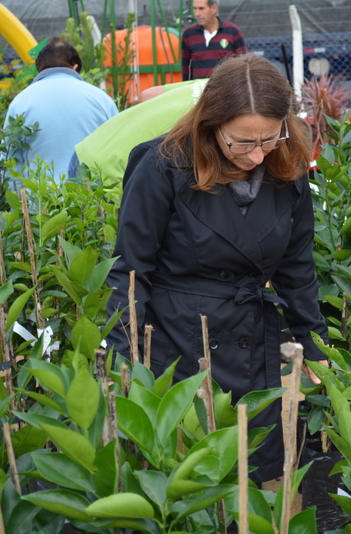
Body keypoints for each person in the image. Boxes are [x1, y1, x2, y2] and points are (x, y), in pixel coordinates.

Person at [105, 54, 329, 484]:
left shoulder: (288, 169)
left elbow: (297, 265)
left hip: (251, 337)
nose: (257, 154)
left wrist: (312, 338)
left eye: (269, 139)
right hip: (180, 340)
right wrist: (124, 356)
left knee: (247, 472)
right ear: (211, 125)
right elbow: (130, 269)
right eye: (242, 142)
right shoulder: (163, 166)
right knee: (191, 475)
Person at [3, 37, 118, 183]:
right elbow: (116, 149)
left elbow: (10, 157)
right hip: (90, 197)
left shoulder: (21, 101)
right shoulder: (101, 99)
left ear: (39, 68)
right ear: (75, 67)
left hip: (39, 199)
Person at [74, 79, 208, 187]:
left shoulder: (209, 85)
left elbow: (148, 94)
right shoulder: (223, 114)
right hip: (110, 173)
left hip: (92, 145)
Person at [181, 0, 248, 80]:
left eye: (201, 9)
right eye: (195, 9)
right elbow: (185, 68)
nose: (197, 14)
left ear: (214, 8)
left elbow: (245, 63)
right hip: (200, 91)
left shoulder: (233, 31)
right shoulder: (188, 34)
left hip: (225, 89)